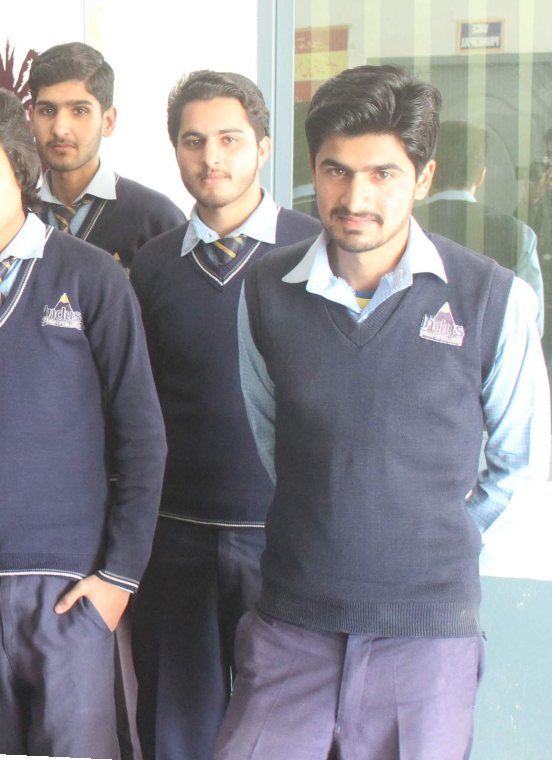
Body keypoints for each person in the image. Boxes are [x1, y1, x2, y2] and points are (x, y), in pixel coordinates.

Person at [215, 64, 551, 760]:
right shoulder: (267, 290)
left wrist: (435, 533)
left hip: (426, 638)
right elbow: (272, 432)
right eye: (336, 171)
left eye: (383, 174)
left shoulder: (492, 298)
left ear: (423, 178)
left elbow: (519, 461)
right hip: (292, 623)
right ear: (313, 170)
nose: (355, 197)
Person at [0, 87, 166, 757]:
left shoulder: (93, 278)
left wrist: (118, 579)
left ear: (19, 167)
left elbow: (141, 437)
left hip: (73, 587)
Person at [126, 71, 319, 760]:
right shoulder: (151, 266)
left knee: (288, 730)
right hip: (174, 538)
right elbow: (135, 406)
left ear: (263, 146)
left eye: (230, 139)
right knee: (175, 727)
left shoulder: (316, 250)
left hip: (285, 539)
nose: (211, 157)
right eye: (194, 141)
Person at [28, 42, 185, 269]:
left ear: (108, 121)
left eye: (79, 110)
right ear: (32, 120)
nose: (60, 129)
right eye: (48, 111)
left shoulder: (156, 218)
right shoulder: (14, 217)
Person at [416, 119, 543, 332]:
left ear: (428, 171)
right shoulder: (520, 235)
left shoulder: (400, 228)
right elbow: (530, 324)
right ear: (481, 176)